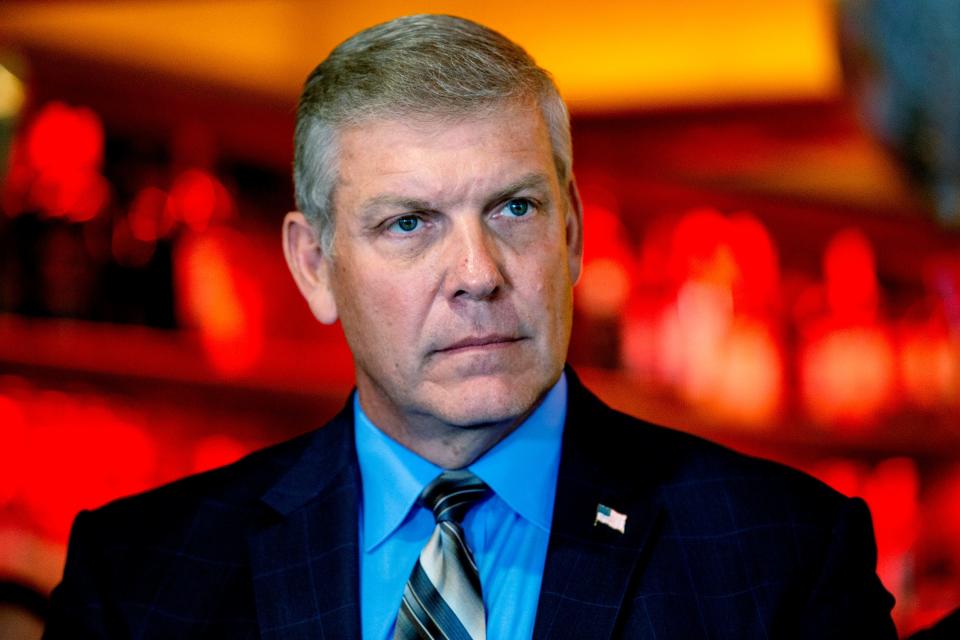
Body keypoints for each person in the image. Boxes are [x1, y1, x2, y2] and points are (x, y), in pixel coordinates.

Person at [44, 14, 897, 639]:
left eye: (515, 208)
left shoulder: (780, 556)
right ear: (314, 266)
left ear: (570, 236)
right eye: (410, 223)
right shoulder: (141, 576)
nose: (480, 274)